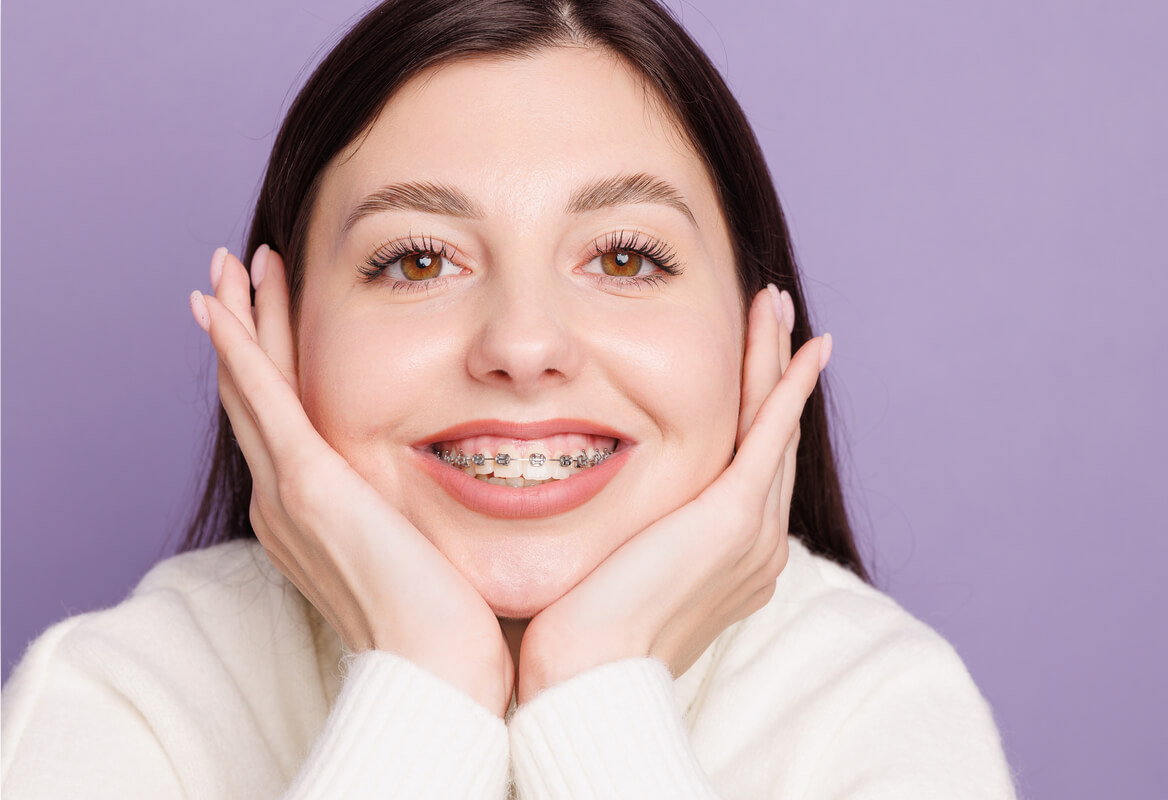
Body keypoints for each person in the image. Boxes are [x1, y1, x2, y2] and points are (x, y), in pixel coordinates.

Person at [1, 0, 1019, 797]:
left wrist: (600, 693)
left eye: (624, 255)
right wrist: (422, 685)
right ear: (277, 335)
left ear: (759, 328)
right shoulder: (121, 701)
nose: (523, 344)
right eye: (415, 261)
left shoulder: (877, 706)